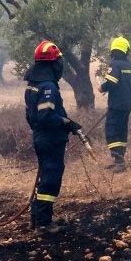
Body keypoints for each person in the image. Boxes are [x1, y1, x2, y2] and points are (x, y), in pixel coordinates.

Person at [24, 41, 82, 234]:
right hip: (50, 139)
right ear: (54, 63)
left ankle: (38, 217)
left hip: (42, 137)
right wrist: (66, 123)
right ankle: (43, 224)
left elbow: (31, 116)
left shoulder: (33, 84)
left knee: (45, 178)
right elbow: (46, 115)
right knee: (51, 180)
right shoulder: (48, 86)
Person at [98, 36, 131, 172]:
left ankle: (119, 161)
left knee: (111, 130)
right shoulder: (130, 66)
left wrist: (102, 87)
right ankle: (119, 159)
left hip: (117, 105)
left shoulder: (115, 64)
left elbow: (112, 82)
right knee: (121, 131)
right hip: (127, 104)